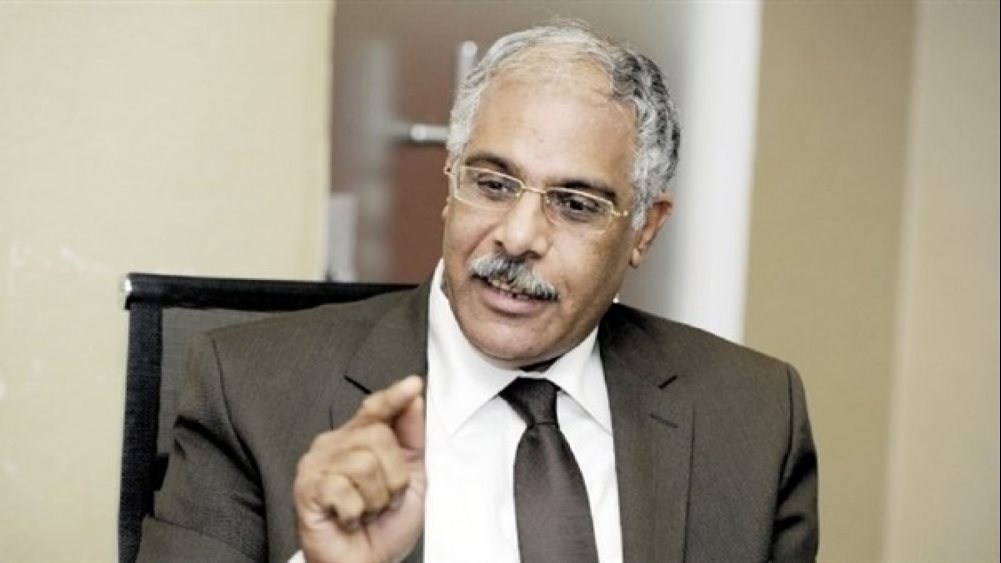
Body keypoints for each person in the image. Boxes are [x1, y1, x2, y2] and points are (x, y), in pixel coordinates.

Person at [138, 21, 818, 563]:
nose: (517, 236)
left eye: (575, 204)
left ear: (644, 229)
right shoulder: (250, 391)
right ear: (450, 182)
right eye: (492, 184)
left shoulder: (752, 418)